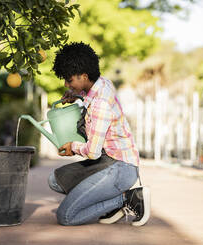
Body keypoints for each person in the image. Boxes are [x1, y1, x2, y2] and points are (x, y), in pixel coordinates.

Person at [48, 42, 150, 226]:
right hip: (109, 161)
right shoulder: (102, 82)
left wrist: (72, 147)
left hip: (120, 168)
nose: (66, 84)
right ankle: (108, 202)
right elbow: (91, 100)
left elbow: (92, 152)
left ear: (84, 76)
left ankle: (127, 199)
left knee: (66, 216)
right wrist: (77, 95)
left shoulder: (99, 104)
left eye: (69, 80)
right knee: (55, 181)